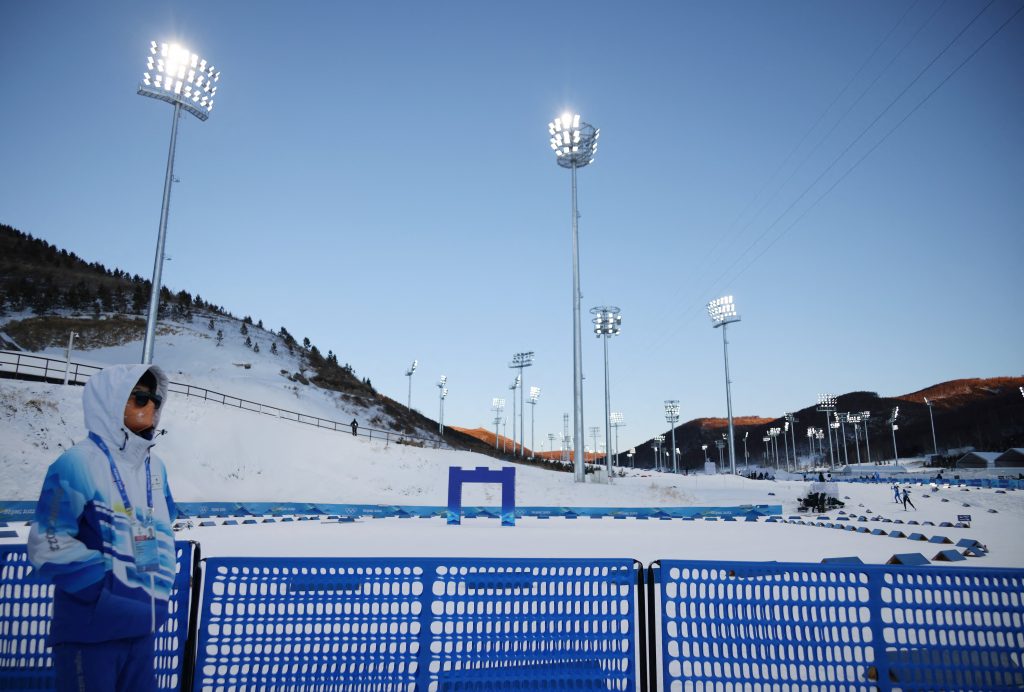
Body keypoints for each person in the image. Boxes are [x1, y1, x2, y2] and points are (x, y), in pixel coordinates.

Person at [28, 364, 177, 692]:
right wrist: (108, 594)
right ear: (112, 404)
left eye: (155, 399)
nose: (151, 406)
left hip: (142, 628)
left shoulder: (156, 468)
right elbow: (47, 541)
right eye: (140, 398)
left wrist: (159, 586)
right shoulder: (77, 463)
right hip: (90, 632)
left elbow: (164, 525)